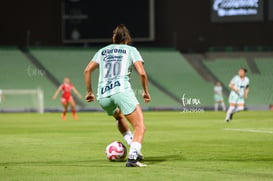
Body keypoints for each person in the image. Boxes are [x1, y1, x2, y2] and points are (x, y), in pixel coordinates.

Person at [84, 24, 151, 167]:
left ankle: (131, 143)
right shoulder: (131, 50)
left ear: (114, 37)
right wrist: (145, 91)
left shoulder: (102, 51)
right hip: (121, 91)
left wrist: (89, 92)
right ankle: (133, 158)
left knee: (119, 116)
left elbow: (87, 70)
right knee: (140, 126)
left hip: (103, 95)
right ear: (127, 38)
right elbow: (142, 73)